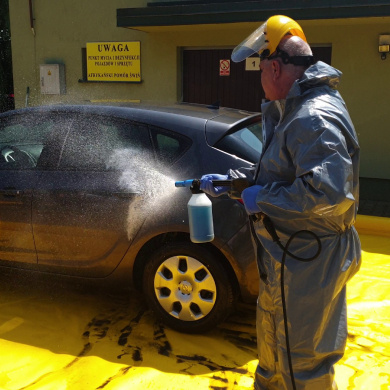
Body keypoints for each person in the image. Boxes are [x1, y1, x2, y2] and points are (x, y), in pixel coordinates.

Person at [201, 15, 361, 390]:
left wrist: (262, 198)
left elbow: (329, 194)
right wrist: (236, 186)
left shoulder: (313, 116)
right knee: (276, 355)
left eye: (259, 70)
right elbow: (288, 174)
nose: (259, 80)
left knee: (302, 366)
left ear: (274, 66)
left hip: (307, 260)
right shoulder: (298, 110)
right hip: (291, 257)